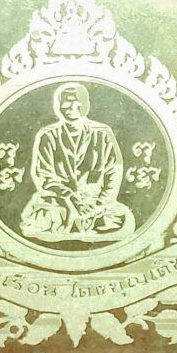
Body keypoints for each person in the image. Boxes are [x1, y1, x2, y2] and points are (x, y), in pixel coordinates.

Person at [20, 83, 135, 242]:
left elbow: (114, 170)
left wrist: (100, 202)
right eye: (65, 102)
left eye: (76, 102)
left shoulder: (103, 133)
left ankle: (82, 225)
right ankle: (76, 225)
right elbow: (45, 176)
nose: (70, 107)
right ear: (58, 106)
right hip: (61, 201)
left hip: (95, 202)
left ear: (86, 104)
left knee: (118, 217)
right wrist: (72, 199)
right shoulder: (48, 136)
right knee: (43, 216)